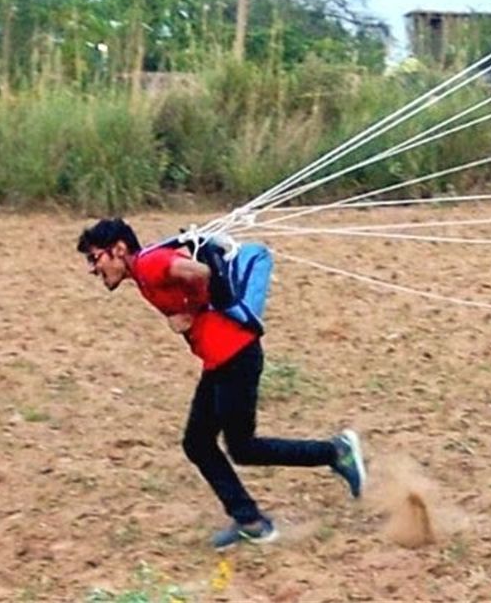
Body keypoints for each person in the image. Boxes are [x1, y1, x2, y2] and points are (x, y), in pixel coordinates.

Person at [78, 217, 366, 548]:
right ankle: (250, 520)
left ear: (119, 249)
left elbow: (200, 272)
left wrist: (193, 309)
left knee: (243, 447)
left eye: (95, 258)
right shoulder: (143, 271)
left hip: (235, 355)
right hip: (221, 359)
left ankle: (336, 452)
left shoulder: (150, 263)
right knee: (198, 443)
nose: (93, 268)